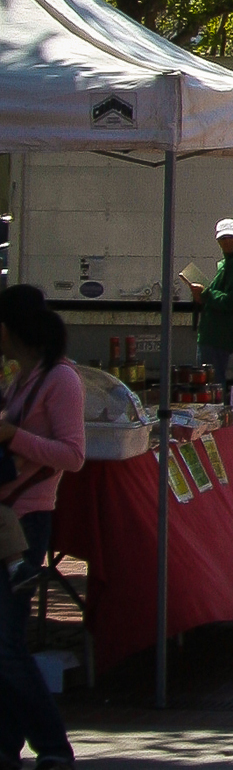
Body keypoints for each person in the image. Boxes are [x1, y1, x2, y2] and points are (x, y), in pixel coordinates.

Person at [0, 287, 82, 770]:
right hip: (8, 520)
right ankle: (8, 743)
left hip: (27, 522)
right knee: (4, 643)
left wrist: (16, 436)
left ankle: (51, 744)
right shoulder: (20, 378)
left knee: (9, 644)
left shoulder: (60, 380)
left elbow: (72, 455)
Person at [190, 216, 233, 384]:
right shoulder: (230, 263)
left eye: (231, 238)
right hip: (215, 334)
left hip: (218, 336)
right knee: (211, 382)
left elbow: (232, 302)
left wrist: (206, 294)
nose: (227, 242)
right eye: (223, 239)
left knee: (211, 383)